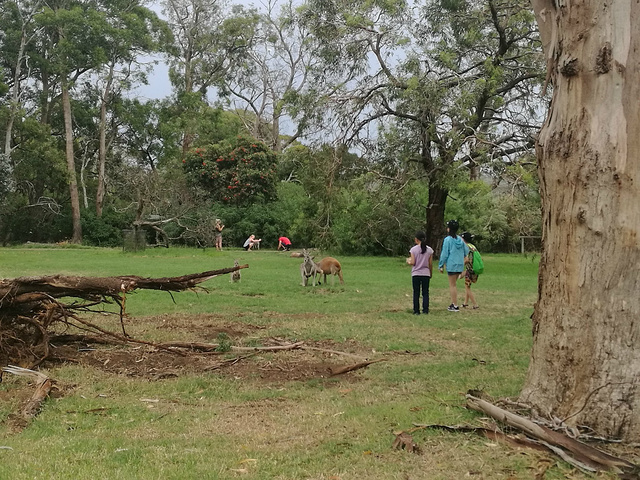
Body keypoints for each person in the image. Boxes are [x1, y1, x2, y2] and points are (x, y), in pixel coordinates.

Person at [438, 220, 469, 312]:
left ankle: (455, 305)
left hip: (451, 264)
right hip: (460, 264)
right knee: (454, 284)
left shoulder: (447, 240)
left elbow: (444, 254)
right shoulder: (460, 239)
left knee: (452, 285)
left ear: (449, 229)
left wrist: (441, 265)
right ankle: (453, 303)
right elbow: (466, 250)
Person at [407, 231, 434, 315]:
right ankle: (425, 310)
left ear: (416, 239)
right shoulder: (429, 250)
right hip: (426, 273)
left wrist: (408, 261)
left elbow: (413, 262)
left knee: (416, 292)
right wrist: (430, 273)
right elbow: (430, 264)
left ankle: (416, 310)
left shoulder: (413, 250)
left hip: (416, 273)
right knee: (425, 292)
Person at [460, 232, 479, 309]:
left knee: (467, 287)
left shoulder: (466, 247)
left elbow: (467, 260)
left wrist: (460, 266)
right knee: (468, 285)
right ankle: (465, 303)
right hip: (475, 268)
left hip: (470, 269)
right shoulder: (472, 246)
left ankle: (475, 304)